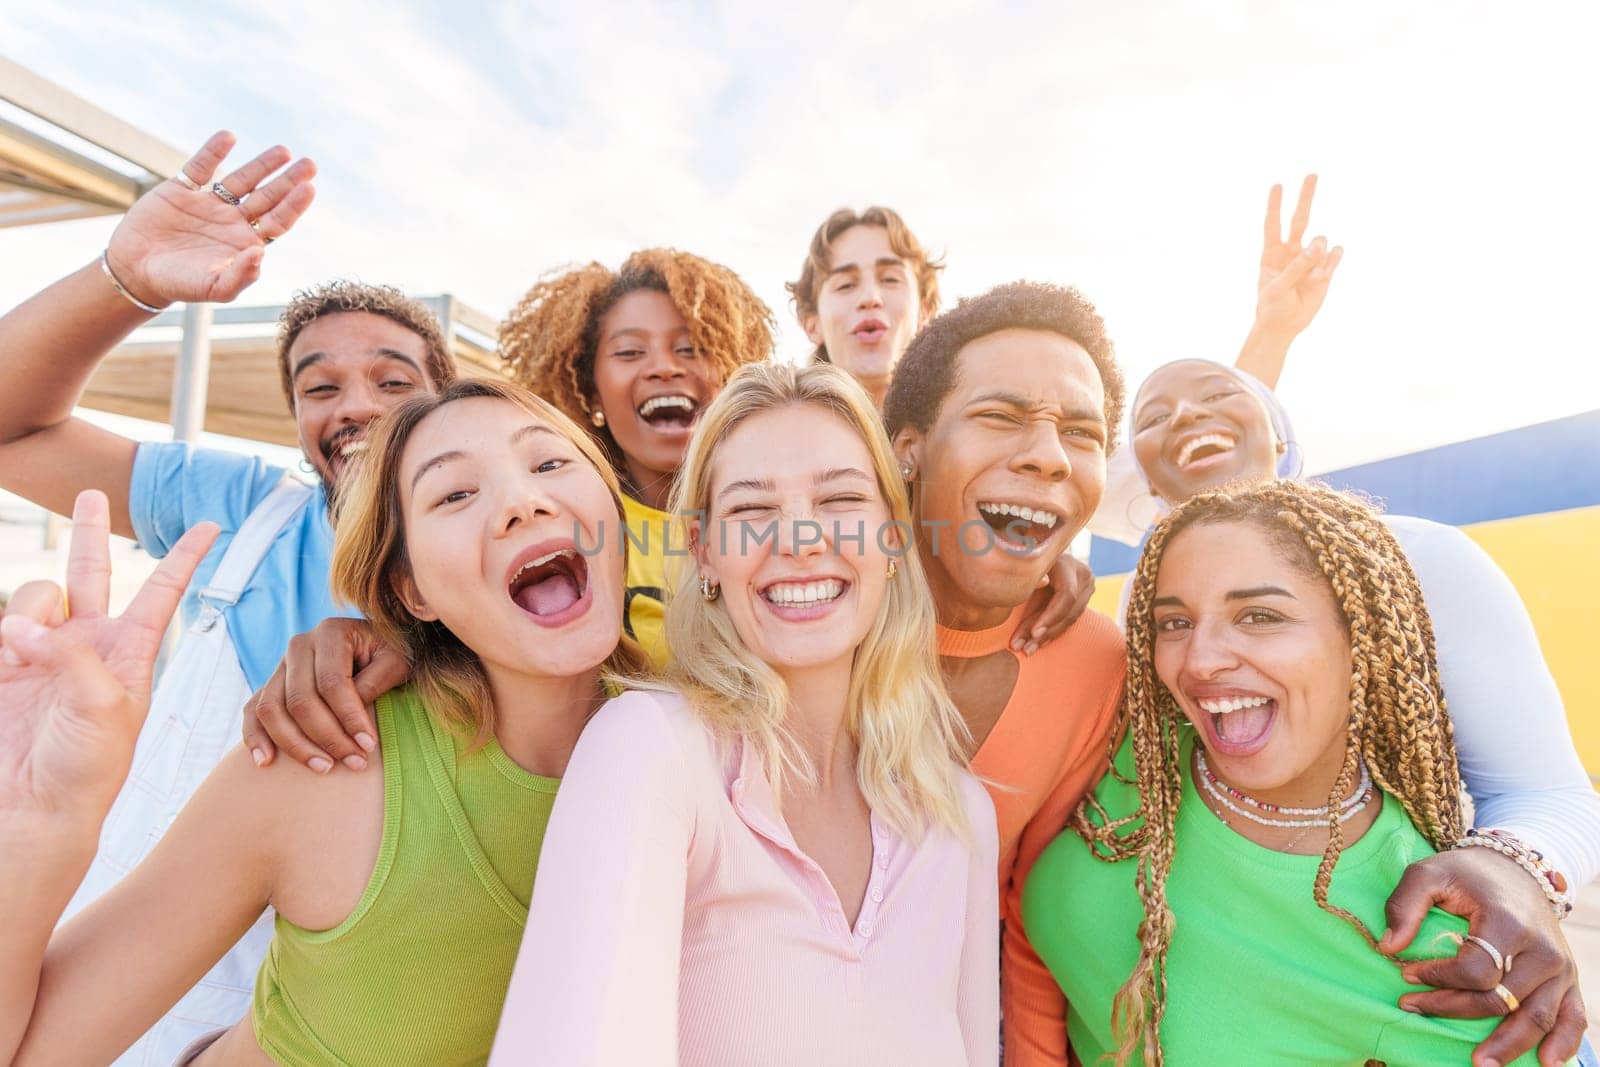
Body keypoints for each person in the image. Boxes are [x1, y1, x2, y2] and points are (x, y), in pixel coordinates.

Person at [0, 378, 647, 1064]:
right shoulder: (324, 766)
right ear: (413, 589)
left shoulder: (709, 744)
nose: (523, 501)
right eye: (455, 493)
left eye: (549, 463)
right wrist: (41, 816)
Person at [0, 130, 457, 1060]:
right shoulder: (247, 509)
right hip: (116, 954)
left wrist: (422, 647)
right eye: (317, 386)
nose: (354, 405)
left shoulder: (497, 558)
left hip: (311, 1007)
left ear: (450, 404)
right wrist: (124, 279)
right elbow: (10, 429)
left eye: (392, 379)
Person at [492, 361, 1000, 1065]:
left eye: (840, 500)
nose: (798, 539)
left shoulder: (960, 814)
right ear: (703, 550)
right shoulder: (652, 752)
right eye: (751, 511)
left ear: (892, 537)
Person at [1116, 354, 1598, 1067]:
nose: (1185, 415)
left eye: (1220, 394)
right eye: (1152, 416)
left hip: (1409, 963)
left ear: (1282, 439)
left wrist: (1517, 873)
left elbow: (1553, 790)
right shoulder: (1136, 606)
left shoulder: (1422, 559)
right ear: (1148, 481)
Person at [1023, 480, 1580, 1067]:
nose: (1200, 659)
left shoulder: (1440, 948)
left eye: (1260, 616)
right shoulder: (1133, 748)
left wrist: (1526, 870)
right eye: (1174, 623)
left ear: (1360, 643)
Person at [881, 280, 1133, 1055]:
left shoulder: (1100, 666)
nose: (1049, 457)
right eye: (1001, 416)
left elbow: (1034, 916)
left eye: (1081, 434)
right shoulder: (814, 613)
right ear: (908, 449)